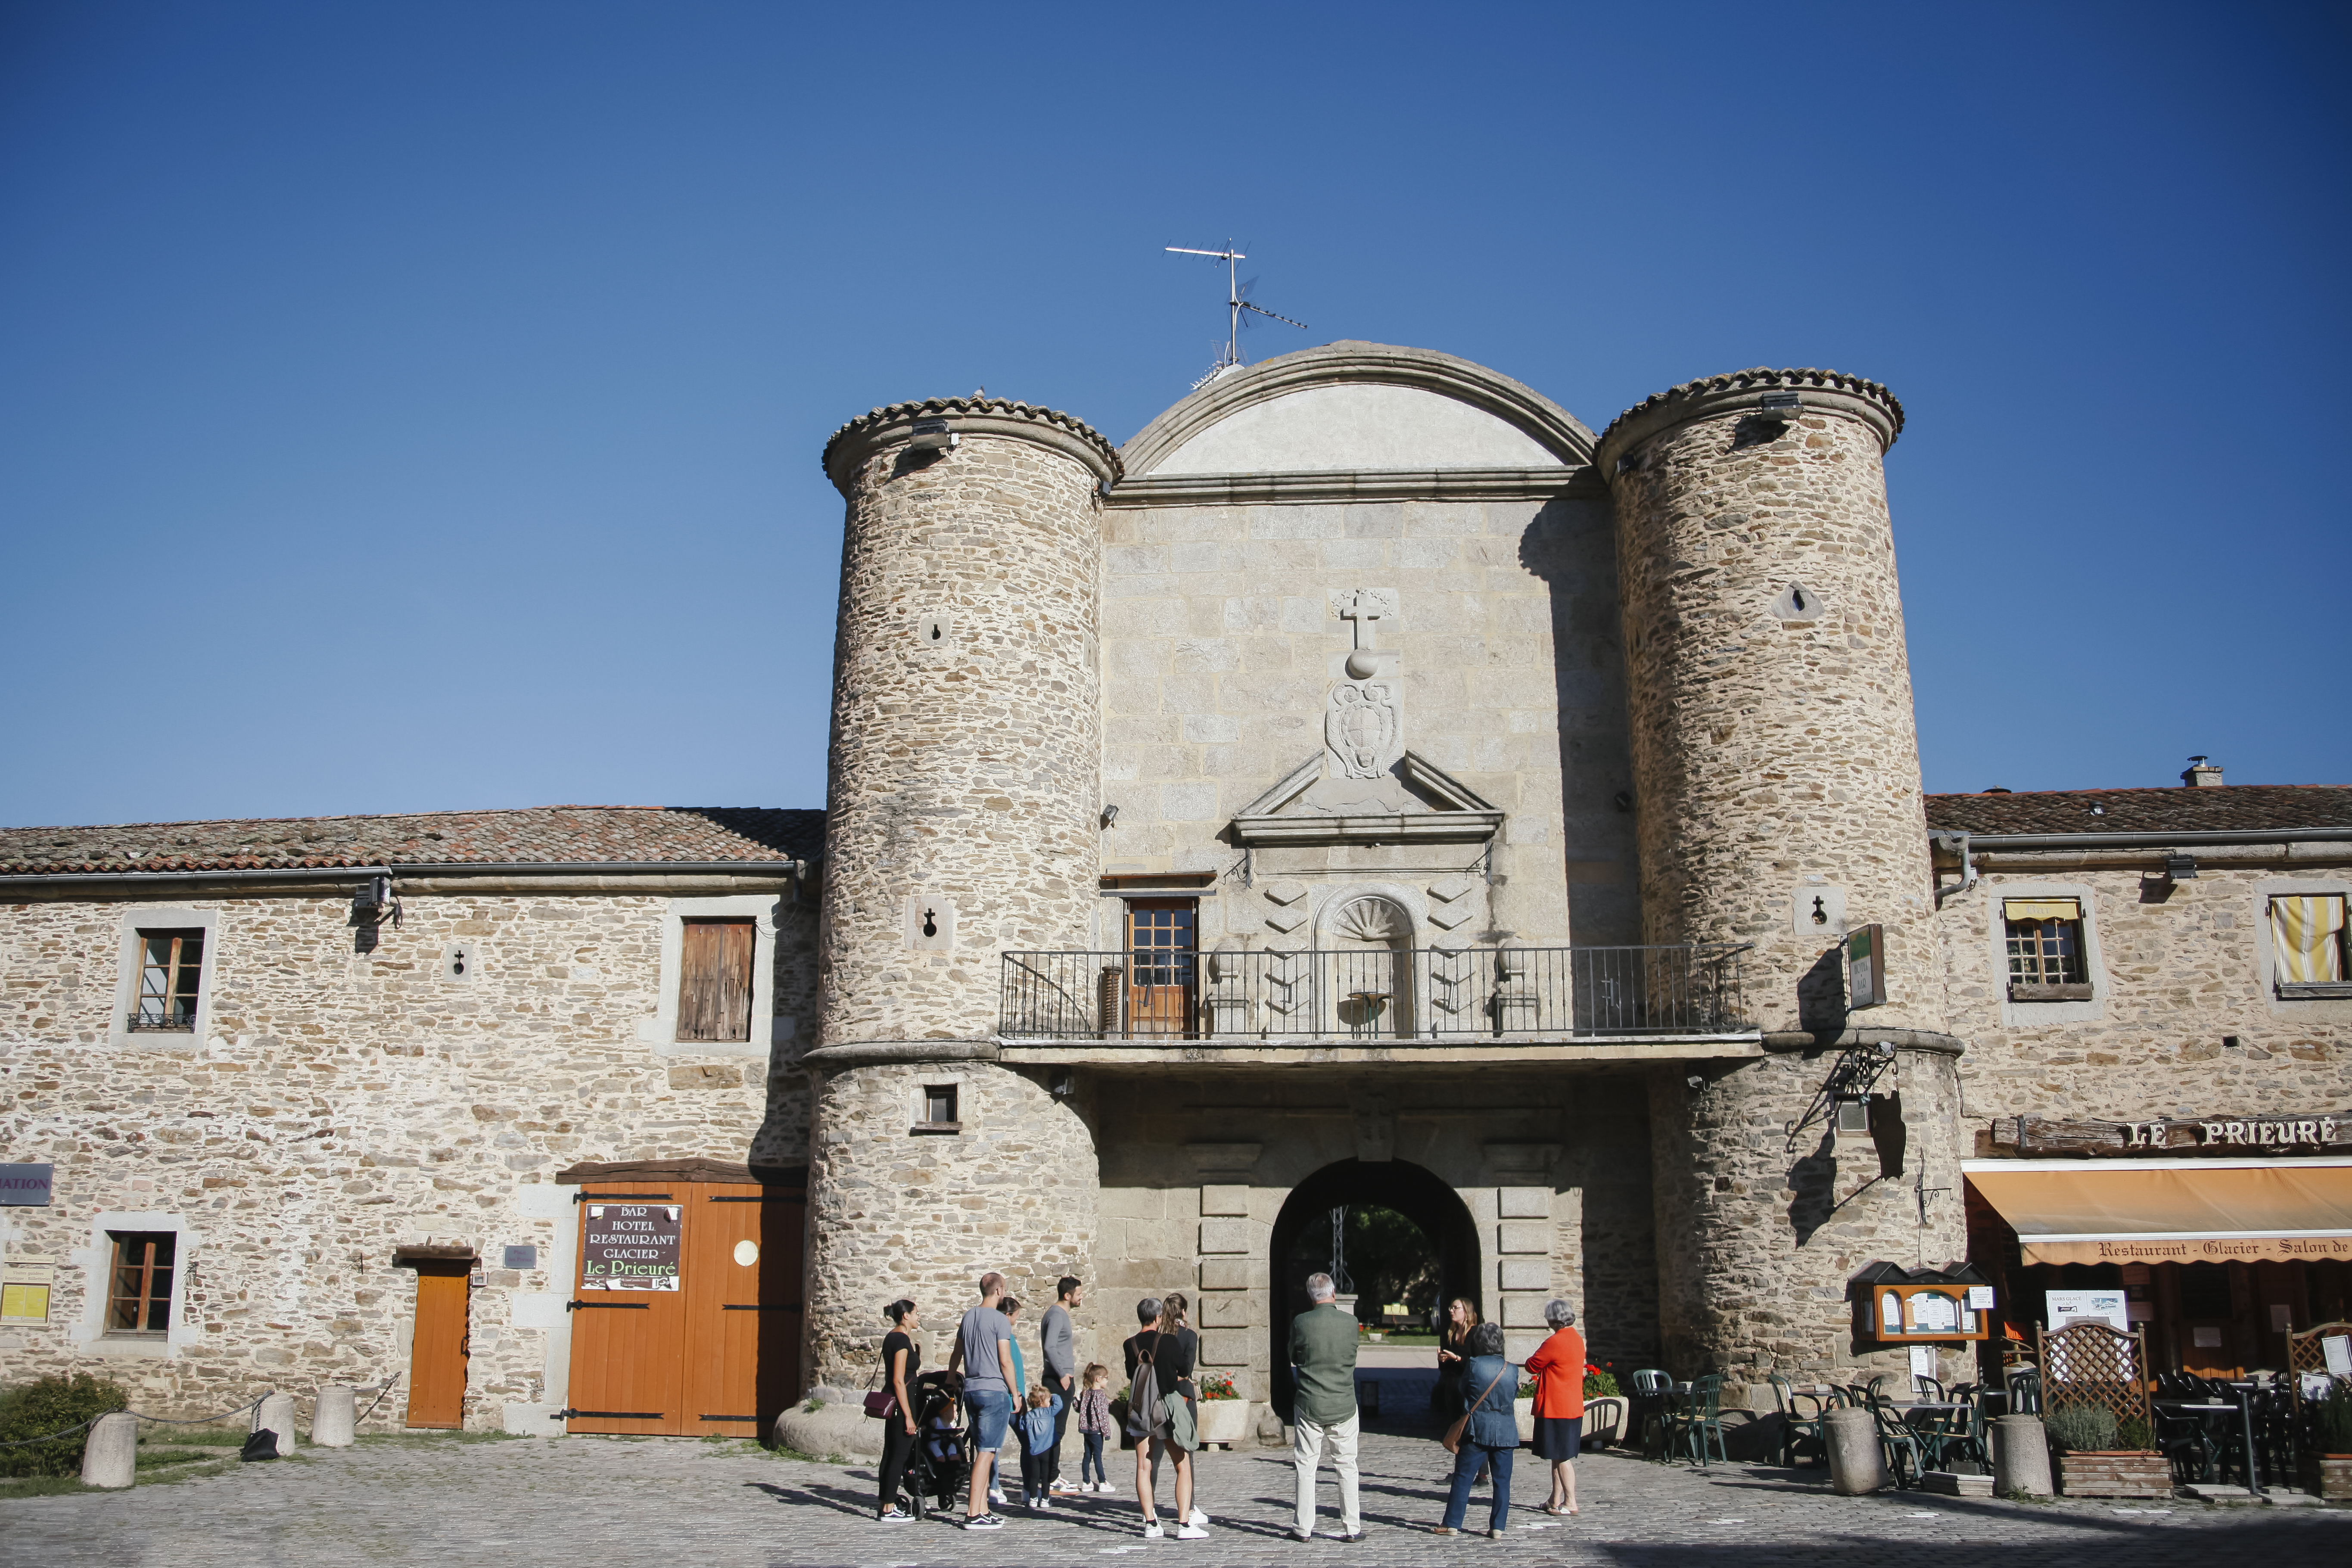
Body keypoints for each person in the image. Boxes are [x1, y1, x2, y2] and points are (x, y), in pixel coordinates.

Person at [1287, 1271, 1363, 1543]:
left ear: (1311, 1296)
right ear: (1333, 1294)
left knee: (1307, 1466)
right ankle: (1352, 1527)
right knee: (1347, 1465)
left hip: (1310, 1401)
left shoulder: (1301, 1322)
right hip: (1343, 1401)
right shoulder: (1351, 1322)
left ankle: (1303, 1528)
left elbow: (1293, 1355)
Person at [1123, 1295, 1207, 1539]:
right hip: (1167, 1406)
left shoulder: (1130, 1344)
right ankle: (1184, 1525)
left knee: (1143, 1466)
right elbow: (1183, 1369)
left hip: (1141, 1408)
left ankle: (1150, 1523)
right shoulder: (1169, 1341)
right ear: (1159, 1317)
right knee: (1182, 1466)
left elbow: (1132, 1373)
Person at [946, 1271, 1019, 1531]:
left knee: (981, 1451)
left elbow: (957, 1354)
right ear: (999, 1291)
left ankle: (984, 1508)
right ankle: (973, 1513)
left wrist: (951, 1380)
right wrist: (1016, 1394)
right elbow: (1005, 1361)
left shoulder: (969, 1317)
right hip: (993, 1390)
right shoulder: (1001, 1321)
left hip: (972, 1390)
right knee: (987, 1453)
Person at [1433, 1322, 1516, 1539]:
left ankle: (1452, 1523)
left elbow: (1463, 1389)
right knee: (1502, 1481)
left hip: (1477, 1428)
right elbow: (1512, 1396)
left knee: (1463, 1477)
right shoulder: (1512, 1369)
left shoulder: (1475, 1365)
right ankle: (1498, 1527)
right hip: (1506, 1431)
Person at [1521, 1299, 1587, 1516]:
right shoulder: (1577, 1339)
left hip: (1556, 1407)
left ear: (1553, 1320)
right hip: (1572, 1406)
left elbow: (1532, 1365)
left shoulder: (1555, 1342)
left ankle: (1571, 1502)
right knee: (1557, 1456)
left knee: (1562, 1457)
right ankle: (1555, 1499)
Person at [875, 1298, 922, 1523]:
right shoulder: (902, 1341)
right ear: (906, 1316)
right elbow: (898, 1379)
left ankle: (885, 1503)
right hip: (902, 1404)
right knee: (899, 1457)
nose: (918, 1317)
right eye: (916, 1313)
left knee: (890, 1454)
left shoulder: (891, 1337)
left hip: (894, 1404)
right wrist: (909, 1416)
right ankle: (889, 1508)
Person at [1433, 1297, 1487, 1484]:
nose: (1451, 1311)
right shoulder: (1452, 1333)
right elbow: (1449, 1365)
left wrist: (1457, 1358)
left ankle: (1481, 1475)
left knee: (1472, 1430)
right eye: (1451, 1307)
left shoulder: (1476, 1333)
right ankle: (1461, 1471)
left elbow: (1477, 1362)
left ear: (1467, 1311)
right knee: (1457, 1428)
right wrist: (1443, 1360)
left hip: (1470, 1387)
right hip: (1453, 1386)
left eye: (1456, 1308)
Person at [1040, 1276, 1083, 1494]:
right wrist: (1063, 1375)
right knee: (1056, 1431)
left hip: (1059, 1379)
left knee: (1055, 1431)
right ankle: (1051, 1478)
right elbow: (1050, 1347)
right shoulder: (1057, 1315)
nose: (1081, 1297)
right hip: (1058, 1381)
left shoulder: (1059, 1314)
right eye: (1079, 1293)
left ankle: (1050, 1476)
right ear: (1067, 1296)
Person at [992, 1294, 1028, 1509]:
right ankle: (995, 1486)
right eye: (1015, 1316)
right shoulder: (1005, 1338)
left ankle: (1028, 1487)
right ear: (1007, 1316)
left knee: (1026, 1441)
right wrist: (1017, 1394)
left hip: (1013, 1396)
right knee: (994, 1446)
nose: (1016, 1320)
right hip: (1009, 1397)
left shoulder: (1006, 1337)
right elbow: (1009, 1366)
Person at [1075, 1363, 1116, 1493]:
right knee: (1097, 1457)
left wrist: (1074, 1401)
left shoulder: (1086, 1393)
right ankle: (1102, 1482)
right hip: (1097, 1431)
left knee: (1087, 1456)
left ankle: (1086, 1482)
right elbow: (1102, 1416)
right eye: (1106, 1378)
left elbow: (1080, 1409)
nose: (1107, 1381)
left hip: (1086, 1431)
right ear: (1099, 1379)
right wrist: (1107, 1432)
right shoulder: (1101, 1395)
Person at [1015, 1386, 1058, 1509]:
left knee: (1034, 1476)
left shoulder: (1028, 1416)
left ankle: (1033, 1499)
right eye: (1048, 1401)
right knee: (1046, 1476)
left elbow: (1022, 1428)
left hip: (1033, 1451)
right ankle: (1045, 1499)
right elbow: (1059, 1404)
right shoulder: (1049, 1413)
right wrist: (1052, 1395)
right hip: (1047, 1450)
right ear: (1042, 1402)